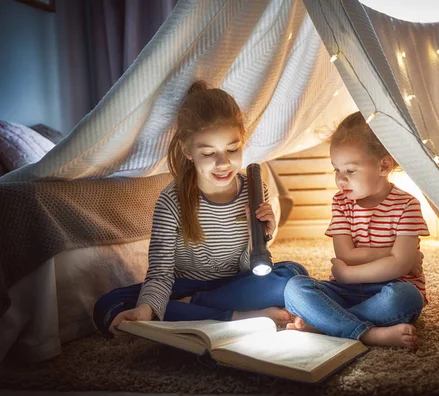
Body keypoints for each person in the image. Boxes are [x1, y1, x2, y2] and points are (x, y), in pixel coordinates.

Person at [93, 81, 307, 336]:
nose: (223, 163)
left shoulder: (254, 188)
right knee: (108, 307)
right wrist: (147, 308)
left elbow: (250, 269)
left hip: (234, 284)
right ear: (188, 150)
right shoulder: (171, 200)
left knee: (293, 274)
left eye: (232, 149)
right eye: (208, 153)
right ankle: (239, 317)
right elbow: (160, 273)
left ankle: (189, 312)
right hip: (183, 287)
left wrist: (258, 239)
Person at [284, 112, 428, 349]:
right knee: (294, 287)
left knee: (406, 298)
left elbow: (399, 267)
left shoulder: (407, 205)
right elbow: (346, 255)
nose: (341, 180)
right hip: (344, 291)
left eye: (350, 171)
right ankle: (368, 334)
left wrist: (350, 274)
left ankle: (325, 325)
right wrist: (394, 255)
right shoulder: (341, 203)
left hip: (388, 290)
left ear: (383, 165)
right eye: (336, 170)